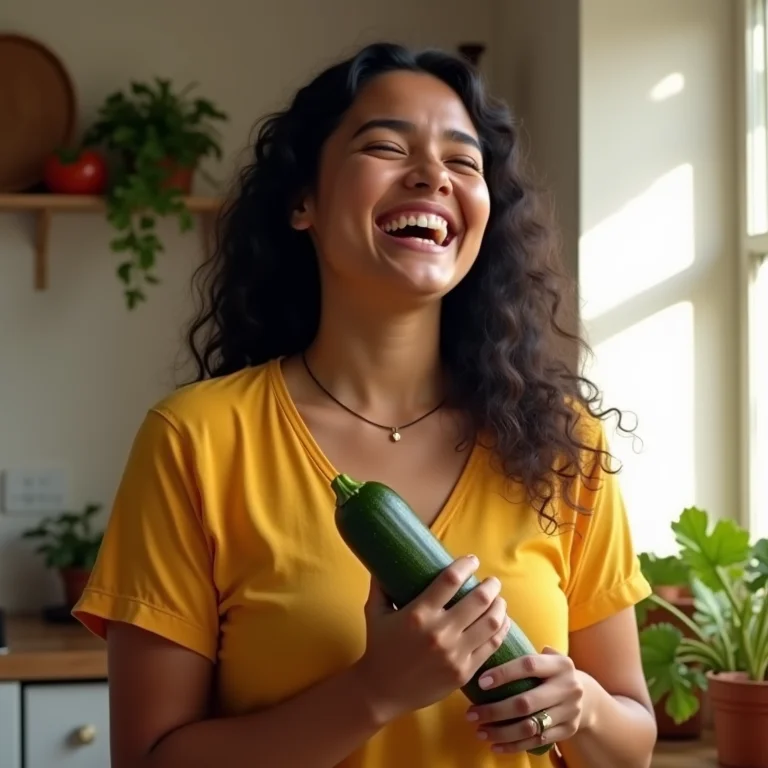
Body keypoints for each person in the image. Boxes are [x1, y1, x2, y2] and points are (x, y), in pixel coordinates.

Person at [72, 41, 657, 768]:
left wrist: (584, 709)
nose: (433, 176)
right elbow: (148, 761)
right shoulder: (195, 440)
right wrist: (374, 692)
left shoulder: (565, 445)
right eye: (386, 146)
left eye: (464, 162)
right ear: (302, 202)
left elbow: (632, 742)